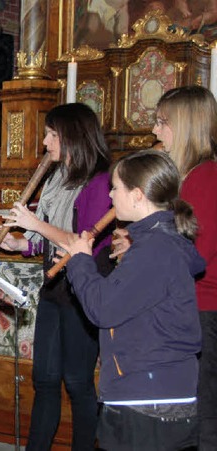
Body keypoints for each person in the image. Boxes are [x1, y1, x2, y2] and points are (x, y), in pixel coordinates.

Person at [0, 103, 113, 450]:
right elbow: (49, 239)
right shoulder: (58, 177)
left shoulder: (100, 181)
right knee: (44, 379)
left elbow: (81, 240)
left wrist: (34, 225)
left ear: (72, 137)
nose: (44, 142)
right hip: (55, 289)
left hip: (83, 292)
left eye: (51, 134)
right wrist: (21, 243)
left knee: (77, 382)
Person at [63, 150, 203, 451]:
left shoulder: (156, 249)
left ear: (138, 195)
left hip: (149, 398)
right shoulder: (154, 244)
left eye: (115, 188)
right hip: (150, 393)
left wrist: (80, 261)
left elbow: (103, 308)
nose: (110, 195)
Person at [113, 85, 217, 450]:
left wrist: (140, 247)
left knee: (203, 416)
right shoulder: (184, 177)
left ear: (186, 125)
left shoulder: (206, 177)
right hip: (184, 305)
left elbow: (191, 254)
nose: (155, 132)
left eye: (162, 122)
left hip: (204, 309)